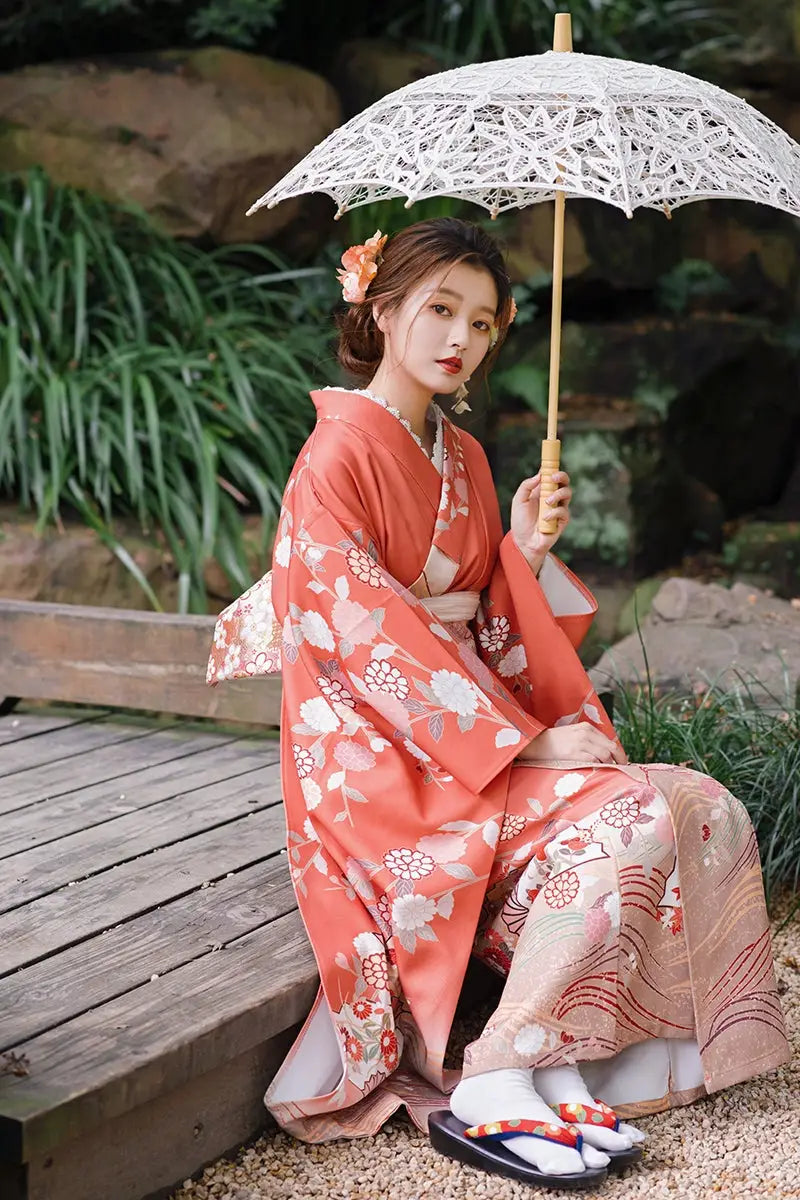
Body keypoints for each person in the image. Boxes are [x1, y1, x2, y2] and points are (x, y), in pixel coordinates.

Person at [207, 218, 790, 1189]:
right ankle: (499, 1070)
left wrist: (520, 549)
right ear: (380, 309)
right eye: (438, 309)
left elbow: (484, 619)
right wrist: (515, 747)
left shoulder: (466, 460)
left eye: (480, 322)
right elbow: (355, 638)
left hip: (463, 738)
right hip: (375, 768)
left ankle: (577, 1054)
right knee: (629, 812)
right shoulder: (333, 460)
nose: (459, 338)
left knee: (699, 802)